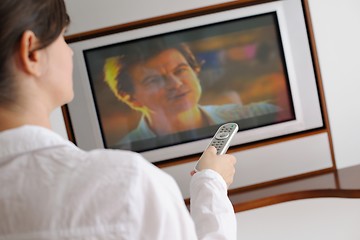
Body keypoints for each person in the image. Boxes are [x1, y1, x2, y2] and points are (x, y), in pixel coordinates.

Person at [0, 0, 237, 239]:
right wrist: (211, 184)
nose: (70, 50)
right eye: (63, 36)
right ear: (32, 53)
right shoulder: (127, 184)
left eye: (181, 70)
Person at [103, 40, 280, 144]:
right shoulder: (126, 155)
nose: (176, 83)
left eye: (180, 70)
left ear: (195, 70)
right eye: (154, 80)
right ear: (131, 99)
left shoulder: (258, 115)